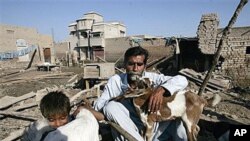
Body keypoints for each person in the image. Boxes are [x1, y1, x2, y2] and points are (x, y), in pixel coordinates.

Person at [93, 46, 189, 141]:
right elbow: (99, 106)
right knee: (111, 107)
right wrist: (121, 98)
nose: (135, 69)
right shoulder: (116, 81)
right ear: (125, 65)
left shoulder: (152, 79)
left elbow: (182, 80)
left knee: (181, 124)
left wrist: (160, 90)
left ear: (145, 66)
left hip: (155, 128)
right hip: (130, 127)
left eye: (139, 64)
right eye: (131, 64)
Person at [21, 91, 99, 141]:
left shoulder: (75, 124)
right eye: (51, 120)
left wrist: (82, 109)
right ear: (45, 117)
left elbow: (101, 117)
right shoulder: (43, 134)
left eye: (62, 118)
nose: (58, 124)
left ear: (68, 113)